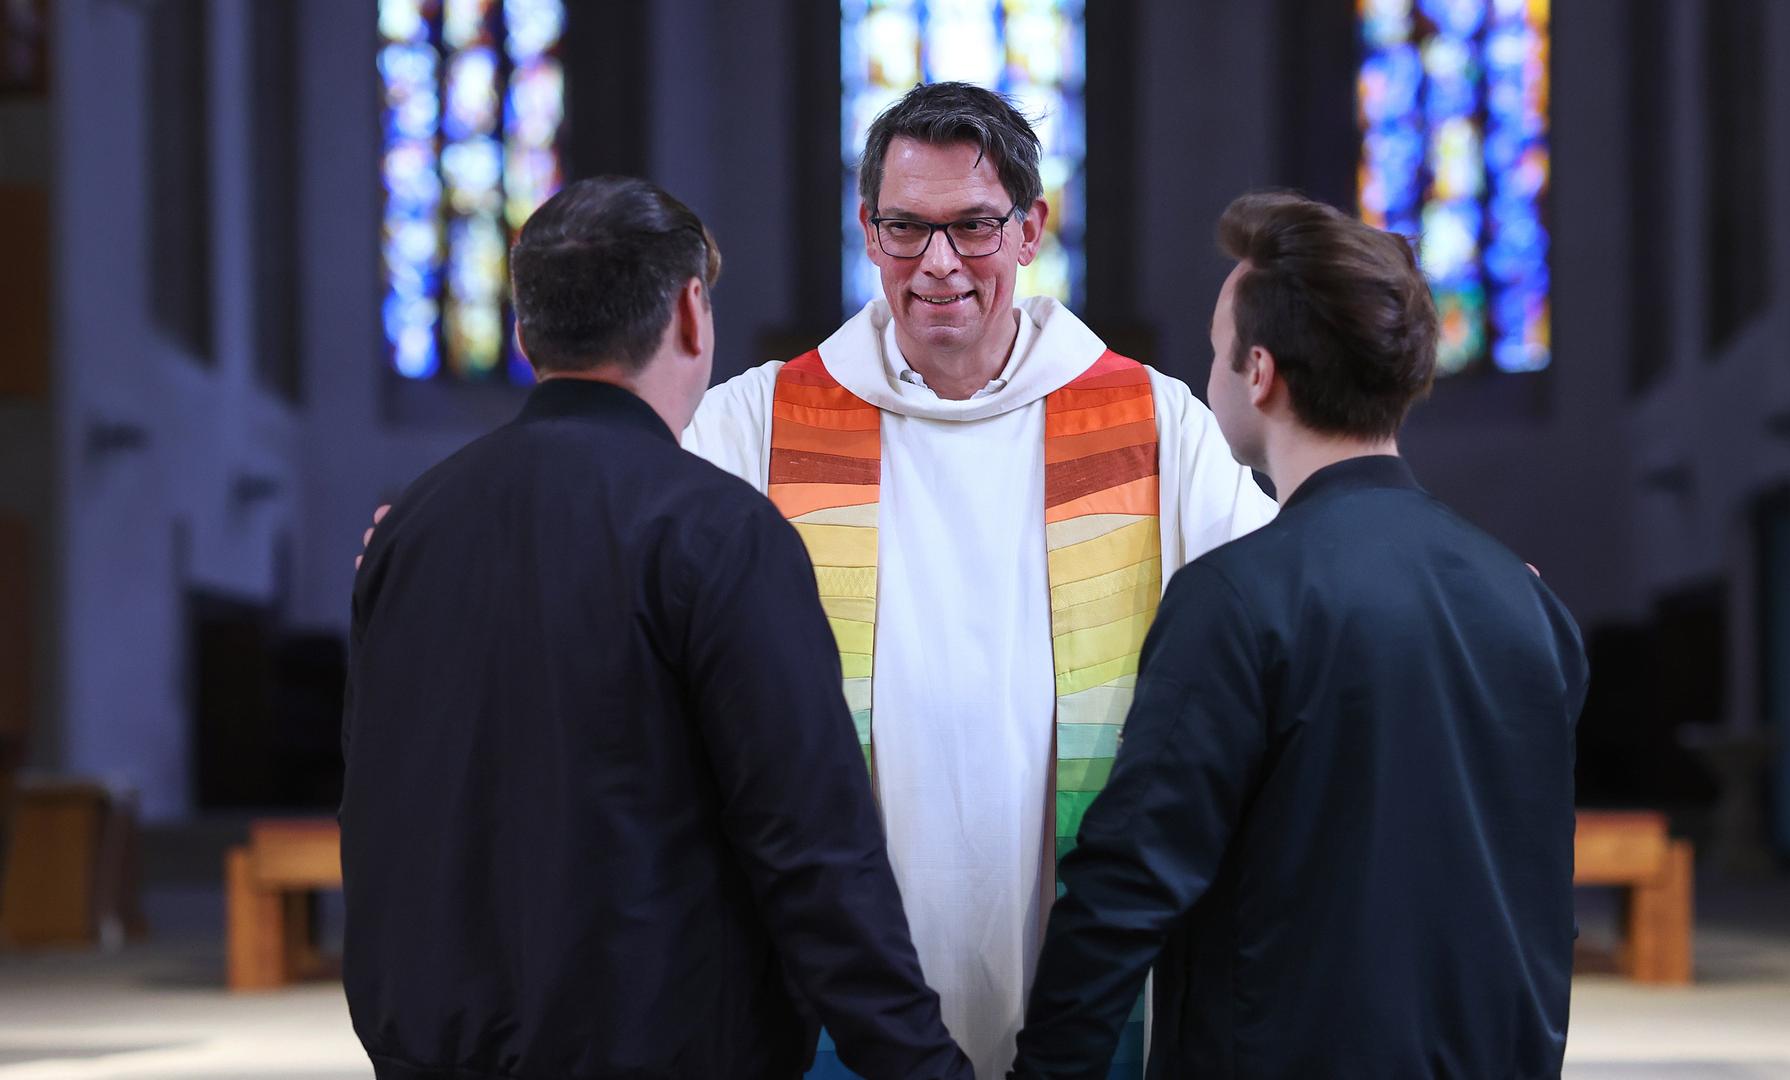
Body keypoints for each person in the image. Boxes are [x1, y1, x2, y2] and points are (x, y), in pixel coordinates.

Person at [681, 82, 1275, 1079]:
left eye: (974, 227)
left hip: (1070, 938)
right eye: (906, 228)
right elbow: (618, 524)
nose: (939, 264)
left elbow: (1287, 585)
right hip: (844, 951)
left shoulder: (1151, 422)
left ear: (1033, 226)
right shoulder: (763, 422)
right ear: (868, 232)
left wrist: (1442, 584)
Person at [341, 176, 971, 1080]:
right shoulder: (718, 531)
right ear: (690, 314)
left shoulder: (411, 528)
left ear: (526, 332)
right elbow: (813, 853)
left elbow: (376, 816)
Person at [1008, 191, 1590, 1079]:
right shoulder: (1530, 602)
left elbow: (1131, 879)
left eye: (1214, 352)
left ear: (1260, 374)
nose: (1210, 375)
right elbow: (1535, 894)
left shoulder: (1239, 598)